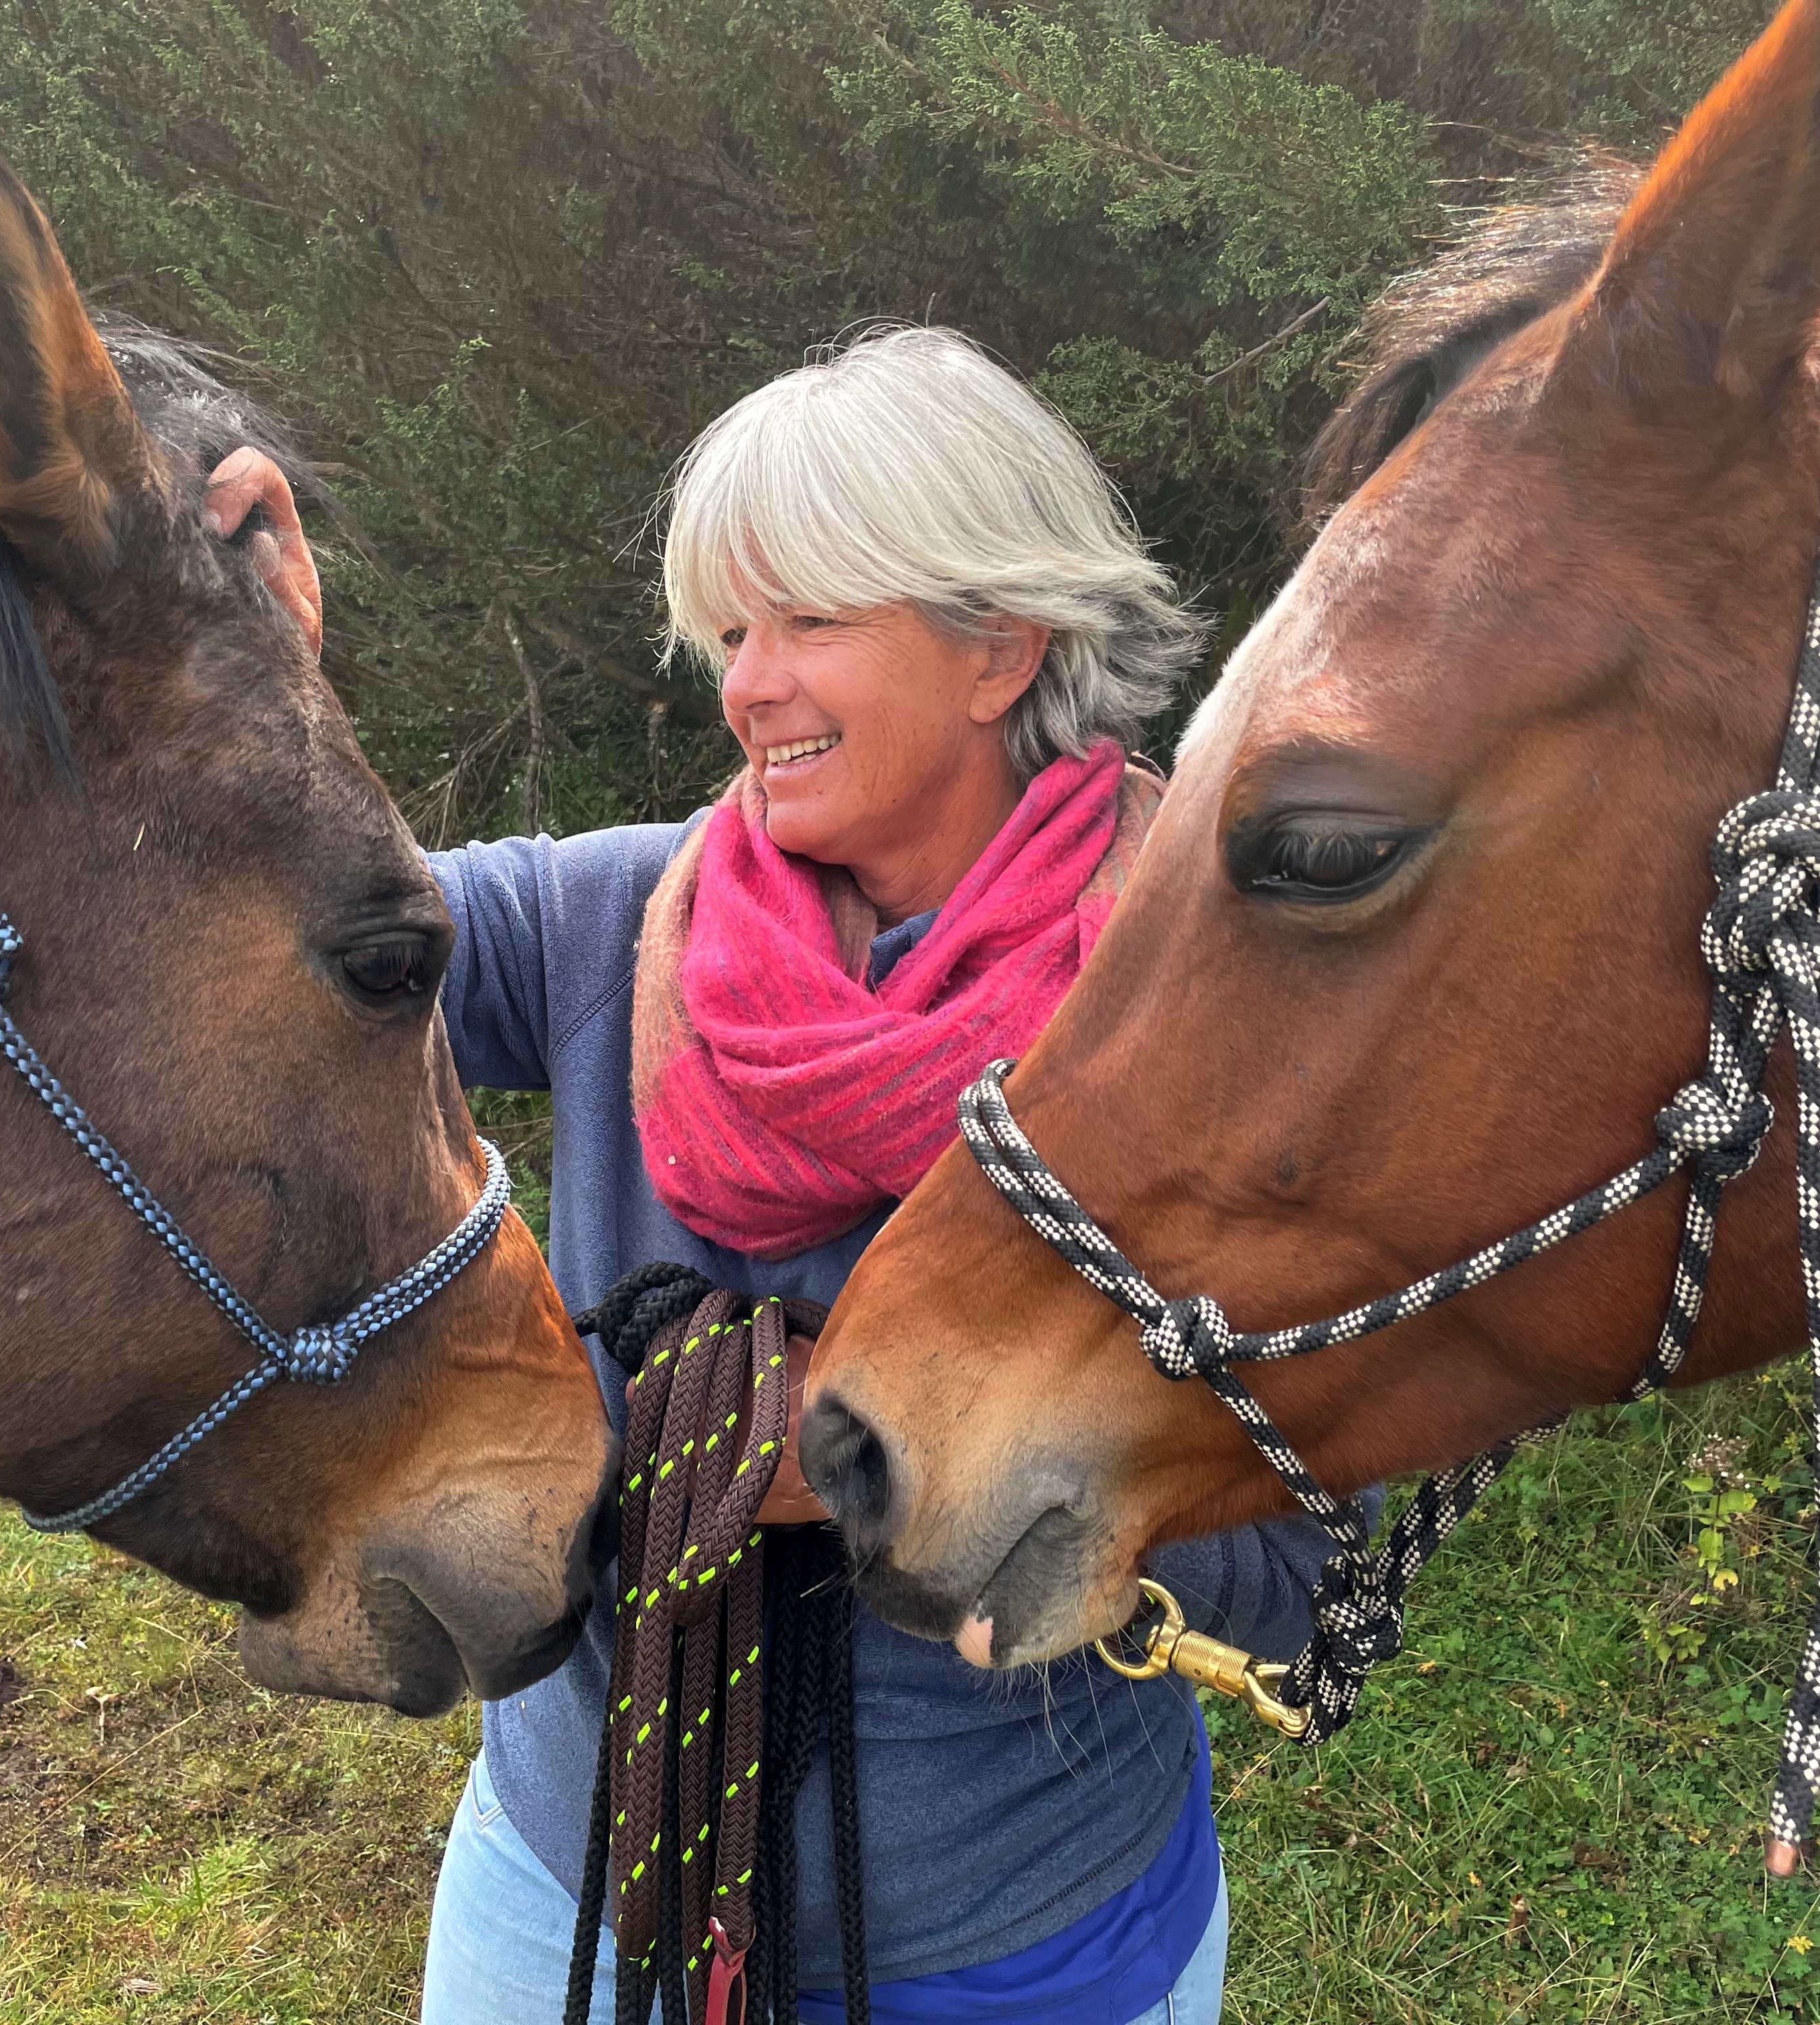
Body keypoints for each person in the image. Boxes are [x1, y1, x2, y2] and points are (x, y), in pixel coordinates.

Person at [207, 325, 1367, 2025]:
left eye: (813, 622)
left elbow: (1308, 1568)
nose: (746, 687)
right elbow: (271, 964)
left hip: (1016, 1949)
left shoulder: (1223, 1013)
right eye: (735, 630)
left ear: (1002, 645)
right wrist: (245, 696)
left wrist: (921, 1466)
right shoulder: (613, 922)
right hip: (572, 1904)